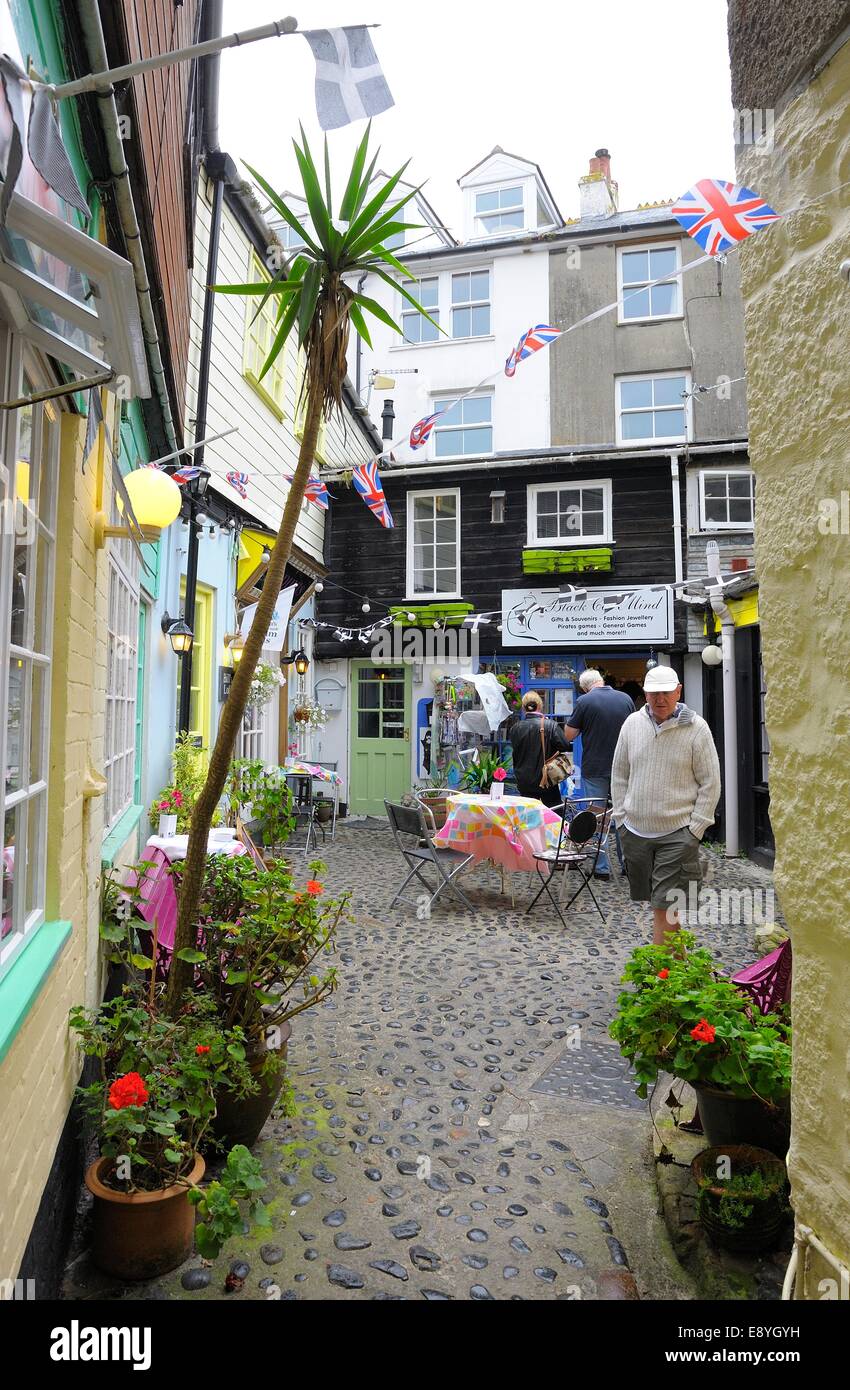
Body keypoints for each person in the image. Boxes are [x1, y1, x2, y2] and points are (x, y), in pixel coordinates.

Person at [611, 665, 721, 946]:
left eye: (666, 692)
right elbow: (620, 774)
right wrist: (621, 819)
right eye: (654, 693)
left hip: (677, 832)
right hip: (635, 831)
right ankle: (680, 968)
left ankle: (661, 976)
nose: (660, 698)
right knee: (657, 903)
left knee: (665, 904)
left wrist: (695, 829)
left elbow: (711, 782)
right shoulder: (631, 725)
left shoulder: (696, 728)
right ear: (645, 693)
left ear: (678, 691)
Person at [563, 669, 635, 880]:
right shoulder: (625, 699)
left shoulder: (585, 701)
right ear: (602, 681)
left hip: (595, 767)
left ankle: (601, 868)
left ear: (586, 687)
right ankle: (628, 865)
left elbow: (569, 734)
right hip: (624, 766)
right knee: (623, 816)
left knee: (598, 817)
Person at [509, 691, 570, 809]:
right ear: (540, 706)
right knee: (553, 814)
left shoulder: (515, 728)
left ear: (523, 707)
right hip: (546, 779)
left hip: (523, 780)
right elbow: (565, 745)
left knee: (528, 815)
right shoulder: (550, 725)